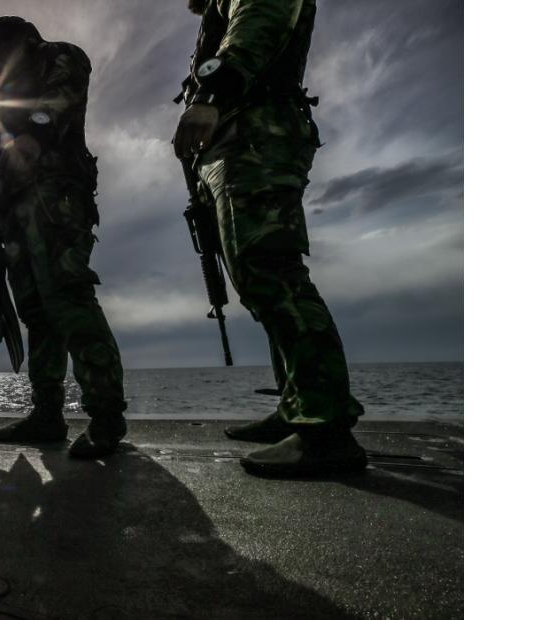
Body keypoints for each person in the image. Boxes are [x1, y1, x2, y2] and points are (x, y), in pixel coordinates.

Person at [173, 0, 367, 476]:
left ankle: (324, 429)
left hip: (255, 133)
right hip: (241, 137)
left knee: (271, 271)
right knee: (257, 274)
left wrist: (210, 95)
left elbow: (260, 19)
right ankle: (295, 408)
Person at [0, 16, 128, 459]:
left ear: (20, 43)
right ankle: (47, 415)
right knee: (38, 315)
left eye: (0, 56)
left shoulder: (61, 56)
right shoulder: (10, 97)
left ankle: (106, 416)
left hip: (55, 199)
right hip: (18, 212)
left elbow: (53, 112)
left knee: (68, 298)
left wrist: (20, 123)